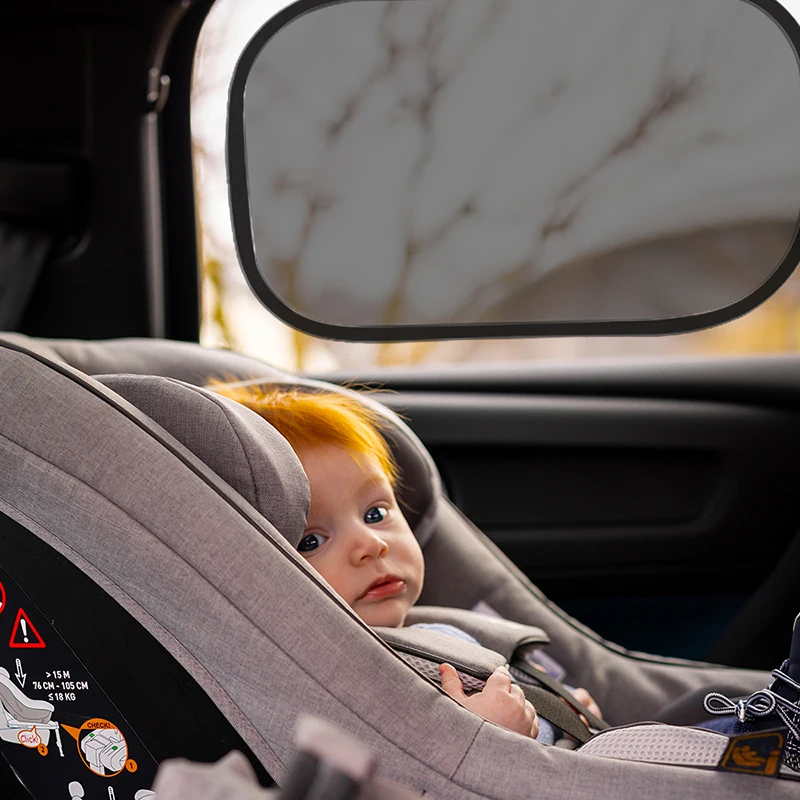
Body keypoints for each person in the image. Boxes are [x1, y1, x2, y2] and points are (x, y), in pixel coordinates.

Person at [210, 383, 800, 761]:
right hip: (561, 778)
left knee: (701, 706)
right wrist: (476, 739)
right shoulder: (329, 678)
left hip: (594, 749)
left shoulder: (435, 629)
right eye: (312, 539)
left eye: (377, 511)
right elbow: (403, 770)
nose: (370, 544)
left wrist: (560, 710)